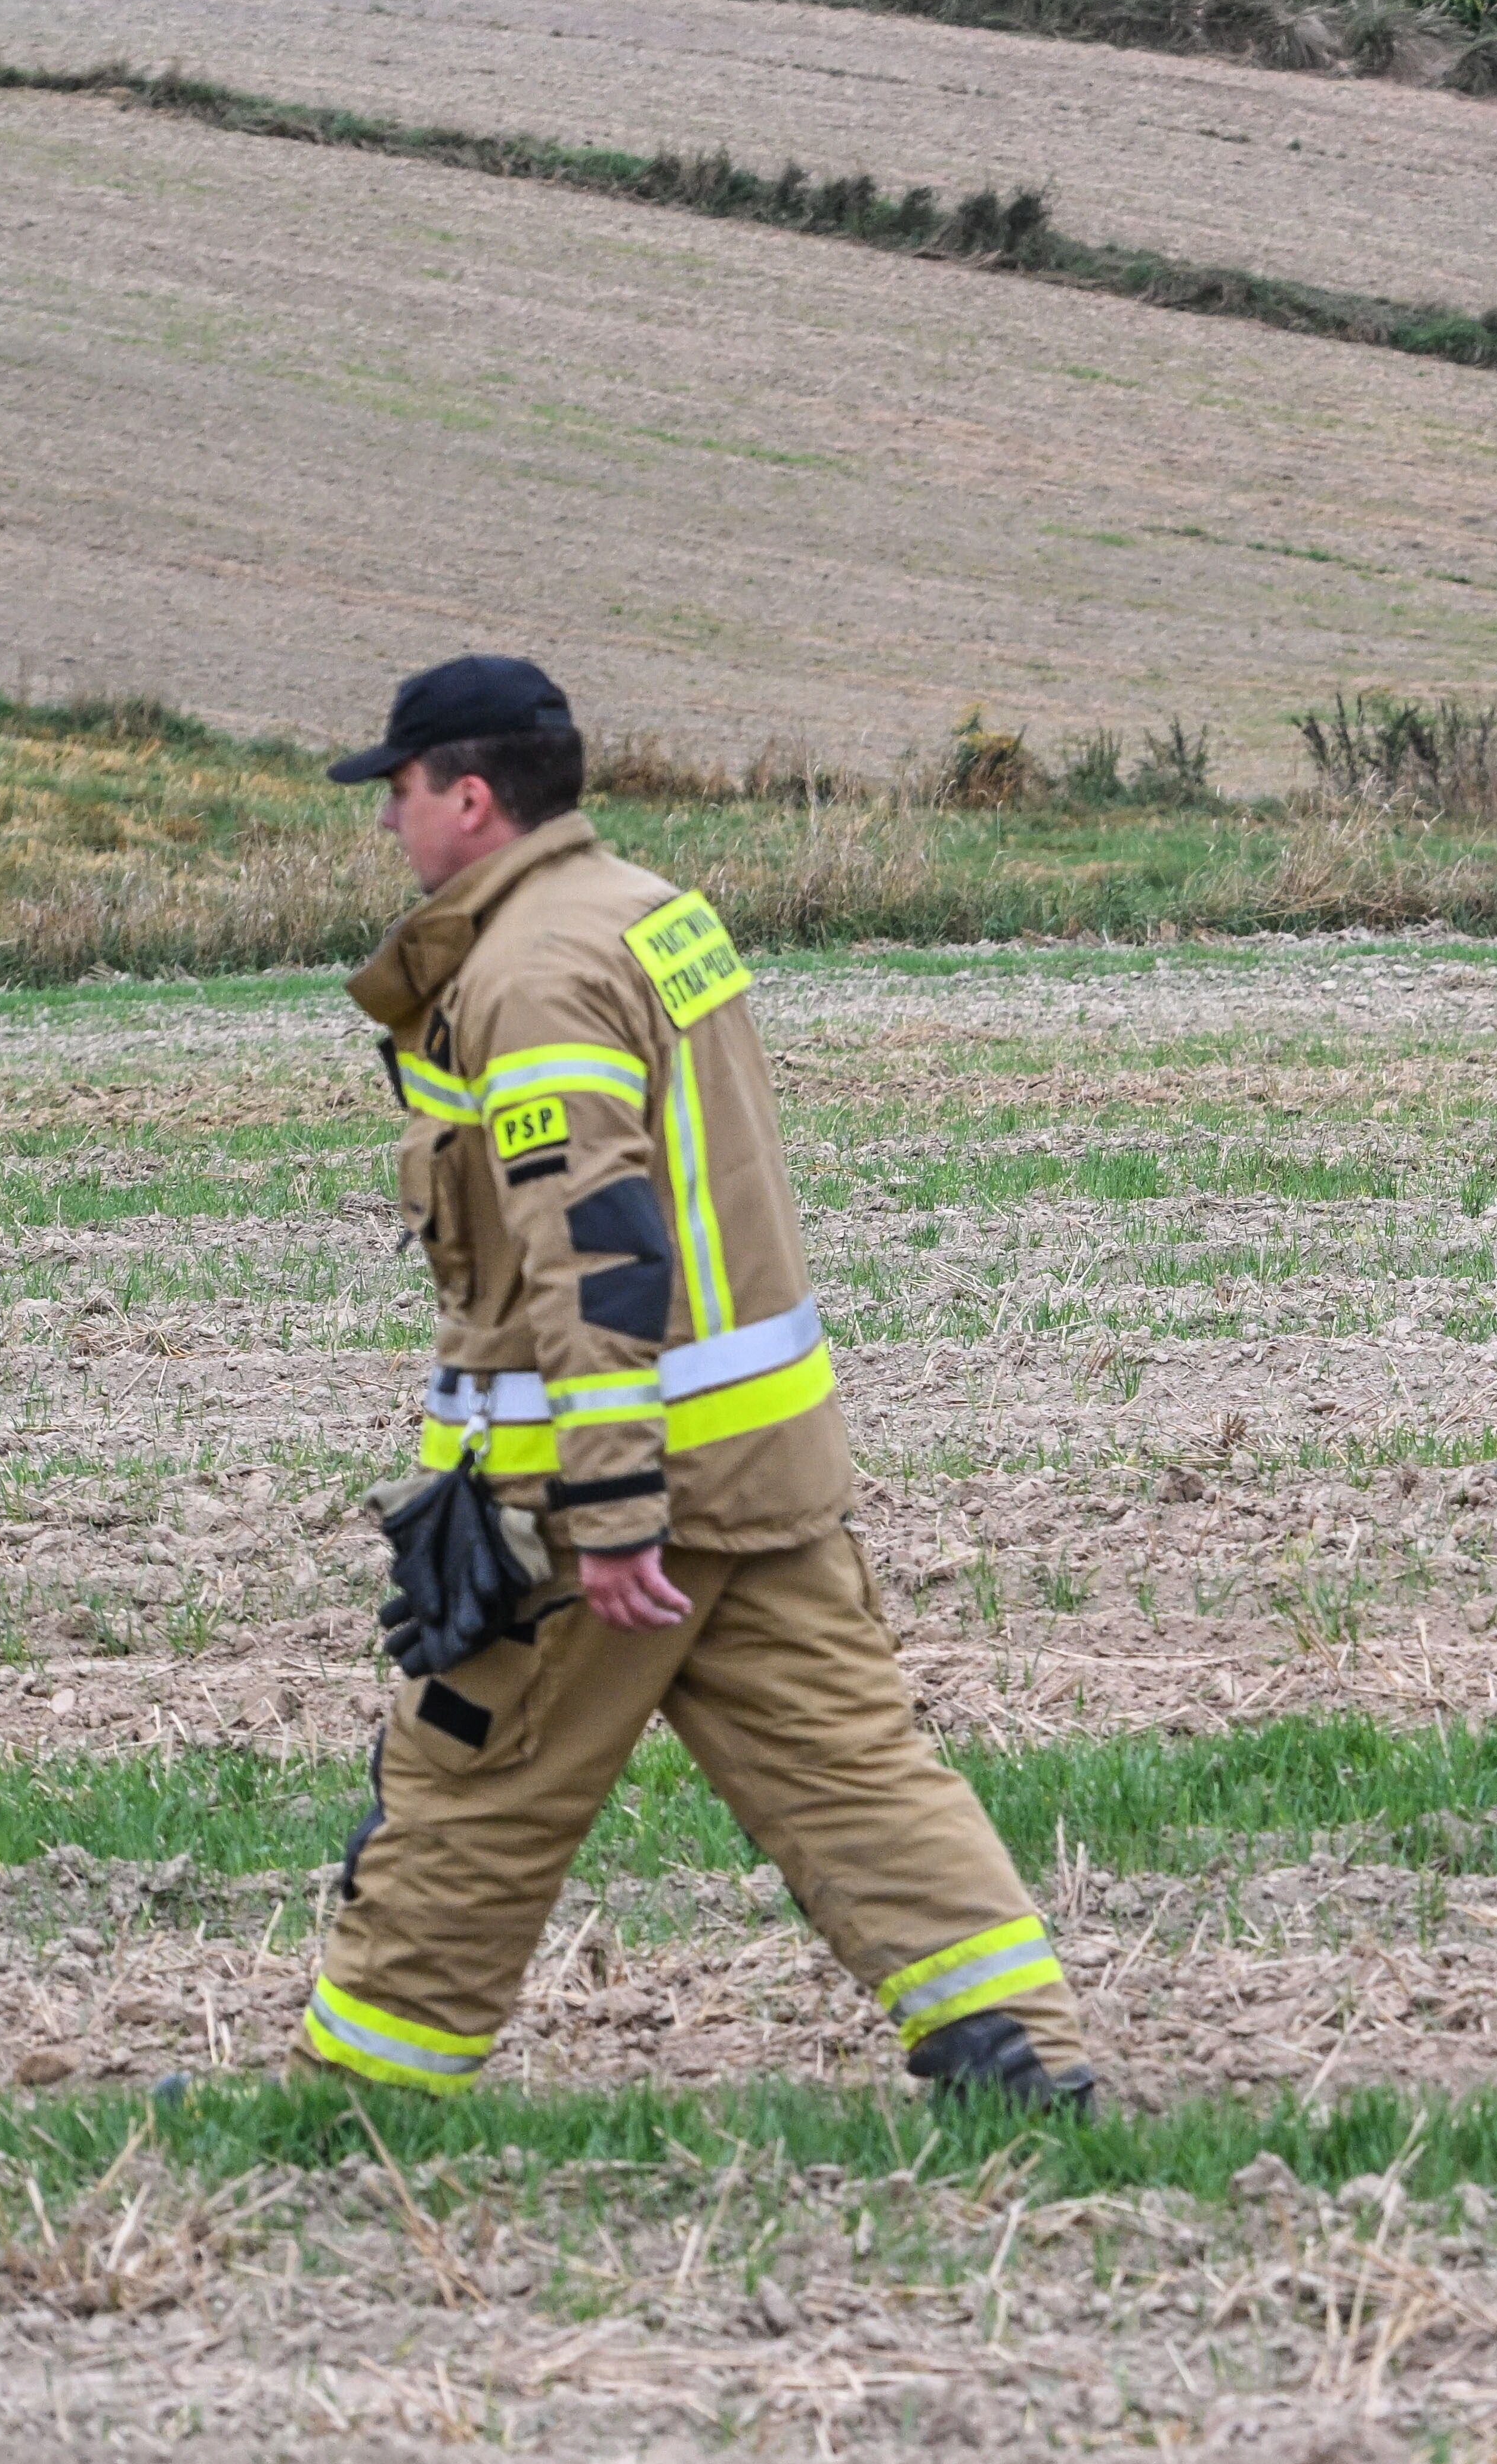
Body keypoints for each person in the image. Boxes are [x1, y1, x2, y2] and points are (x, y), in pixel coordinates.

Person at [314, 657, 1093, 2107]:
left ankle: (354, 2099)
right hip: (769, 1476)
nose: (389, 826)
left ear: (468, 796)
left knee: (469, 1780)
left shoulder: (535, 968)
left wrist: (609, 1507)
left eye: (401, 793)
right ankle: (1023, 2057)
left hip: (601, 1490)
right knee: (857, 1776)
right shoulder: (649, 911)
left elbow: (594, 1248)